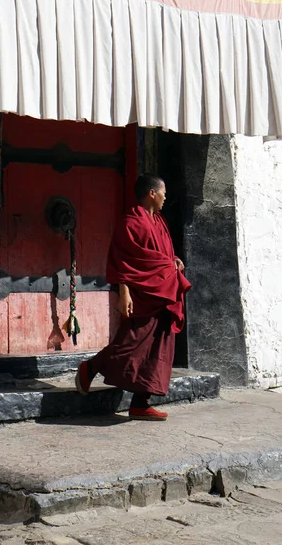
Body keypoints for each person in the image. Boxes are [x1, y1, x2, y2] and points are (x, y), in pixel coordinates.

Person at [75, 173, 191, 421]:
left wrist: (173, 262)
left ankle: (141, 403)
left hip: (162, 294)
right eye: (163, 193)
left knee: (157, 347)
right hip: (141, 295)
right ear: (152, 193)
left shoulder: (159, 222)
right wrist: (124, 293)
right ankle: (91, 367)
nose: (164, 198)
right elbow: (123, 262)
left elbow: (160, 256)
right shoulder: (131, 223)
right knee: (130, 344)